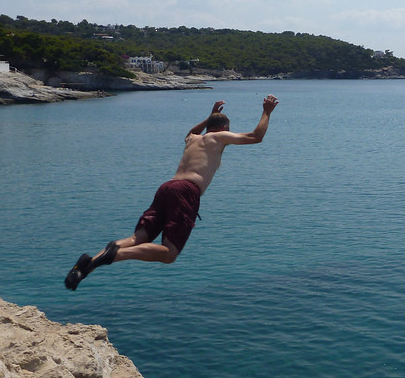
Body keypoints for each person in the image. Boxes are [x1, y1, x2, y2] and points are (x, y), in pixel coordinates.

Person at [65, 94, 279, 290]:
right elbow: (256, 136)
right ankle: (113, 256)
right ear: (223, 127)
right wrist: (266, 112)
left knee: (137, 237)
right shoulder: (219, 137)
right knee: (169, 254)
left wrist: (209, 115)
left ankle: (85, 267)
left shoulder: (193, 139)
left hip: (166, 188)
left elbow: (191, 132)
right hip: (186, 191)